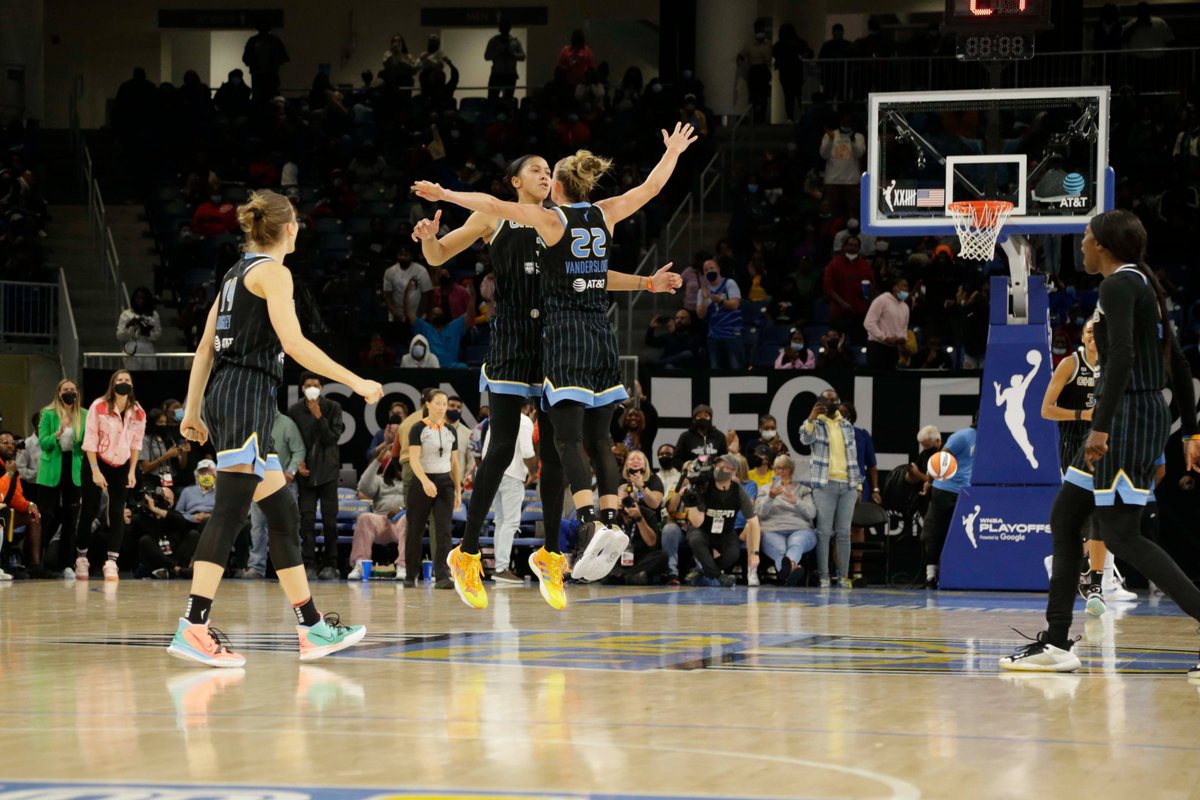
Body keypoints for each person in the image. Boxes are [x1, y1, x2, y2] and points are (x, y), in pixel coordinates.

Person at [412, 126, 693, 608]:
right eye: (535, 169)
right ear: (517, 180)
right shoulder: (495, 217)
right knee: (500, 449)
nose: (545, 174)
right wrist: (429, 238)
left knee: (558, 455)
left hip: (555, 342)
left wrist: (646, 283)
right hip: (512, 342)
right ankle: (467, 552)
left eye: (549, 169)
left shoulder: (563, 218)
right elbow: (438, 255)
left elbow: (595, 276)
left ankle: (551, 554)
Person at [169, 189, 380, 668]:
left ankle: (311, 628)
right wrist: (355, 379)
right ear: (290, 228)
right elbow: (295, 343)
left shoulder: (232, 276)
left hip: (234, 393)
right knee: (229, 510)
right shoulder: (274, 273)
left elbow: (204, 349)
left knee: (282, 512)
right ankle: (193, 626)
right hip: (245, 393)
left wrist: (192, 409)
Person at [1001, 210, 1200, 677]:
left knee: (1122, 536)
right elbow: (1181, 364)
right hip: (1135, 412)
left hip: (1126, 417)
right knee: (1065, 517)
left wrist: (1101, 427)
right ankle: (1055, 641)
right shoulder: (1144, 284)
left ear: (1105, 246)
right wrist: (1191, 430)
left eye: (1087, 238)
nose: (1083, 245)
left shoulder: (1117, 286)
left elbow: (1123, 360)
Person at [1041, 317, 1112, 615]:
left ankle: (1096, 582)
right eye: (1088, 333)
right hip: (1073, 449)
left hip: (1105, 450)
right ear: (1082, 338)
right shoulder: (1070, 365)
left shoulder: (1113, 367)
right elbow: (1046, 410)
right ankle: (1081, 564)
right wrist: (1083, 414)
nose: (1093, 337)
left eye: (1098, 333)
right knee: (1083, 514)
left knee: (1102, 514)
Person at [77, 370, 146, 581]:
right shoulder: (99, 406)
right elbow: (89, 440)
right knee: (89, 509)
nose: (123, 383)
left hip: (122, 464)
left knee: (117, 511)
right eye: (119, 380)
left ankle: (111, 562)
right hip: (96, 460)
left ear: (132, 385)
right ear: (112, 384)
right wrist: (95, 471)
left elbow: (136, 444)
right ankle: (82, 557)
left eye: (127, 380)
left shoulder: (138, 412)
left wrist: (133, 470)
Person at [799, 389, 861, 588]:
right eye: (827, 399)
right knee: (824, 532)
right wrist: (810, 417)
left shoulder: (847, 425)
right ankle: (825, 576)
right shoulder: (816, 424)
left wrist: (858, 484)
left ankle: (843, 576)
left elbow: (853, 456)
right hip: (825, 484)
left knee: (844, 532)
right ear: (820, 402)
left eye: (834, 399)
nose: (831, 402)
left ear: (839, 401)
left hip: (848, 484)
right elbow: (804, 439)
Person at [288, 373, 346, 580]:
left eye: (316, 384)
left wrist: (318, 416)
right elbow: (293, 442)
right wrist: (298, 464)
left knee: (330, 521)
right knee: (307, 521)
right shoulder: (294, 411)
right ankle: (308, 564)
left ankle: (331, 564)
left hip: (328, 472)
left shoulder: (333, 408)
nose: (312, 387)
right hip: (306, 474)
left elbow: (332, 438)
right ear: (302, 387)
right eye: (308, 384)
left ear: (322, 387)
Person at [404, 389, 460, 590]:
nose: (442, 407)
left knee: (444, 530)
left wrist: (458, 490)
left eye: (444, 404)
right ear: (427, 404)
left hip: (445, 483)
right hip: (421, 481)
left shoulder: (450, 431)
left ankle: (443, 575)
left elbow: (454, 463)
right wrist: (425, 481)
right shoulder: (418, 428)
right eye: (438, 403)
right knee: (415, 529)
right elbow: (413, 459)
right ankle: (411, 574)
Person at [680, 454, 760, 586]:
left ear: (733, 471)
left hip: (726, 532)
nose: (719, 469)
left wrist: (755, 553)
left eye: (724, 467)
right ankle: (719, 576)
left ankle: (702, 571)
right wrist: (691, 504)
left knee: (733, 554)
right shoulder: (705, 486)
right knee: (696, 539)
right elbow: (697, 522)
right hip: (703, 529)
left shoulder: (738, 491)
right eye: (718, 466)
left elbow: (754, 522)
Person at [242, 410, 305, 580]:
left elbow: (299, 451)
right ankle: (256, 567)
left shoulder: (286, 424)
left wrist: (291, 471)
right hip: (258, 481)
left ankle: (293, 567)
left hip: (284, 483)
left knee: (288, 526)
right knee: (257, 527)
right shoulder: (251, 424)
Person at [481, 399, 537, 584]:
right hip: (512, 475)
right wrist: (532, 471)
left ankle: (499, 566)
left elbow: (484, 450)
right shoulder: (524, 420)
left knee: (501, 521)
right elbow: (528, 452)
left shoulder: (496, 418)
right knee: (511, 522)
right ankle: (502, 567)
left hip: (492, 474)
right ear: (529, 408)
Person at [922, 414, 977, 589]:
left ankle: (955, 575)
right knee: (935, 532)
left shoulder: (987, 439)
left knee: (961, 535)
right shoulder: (961, 436)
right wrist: (930, 482)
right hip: (945, 491)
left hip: (966, 494)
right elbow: (940, 460)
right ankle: (930, 577)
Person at [36, 380, 85, 577]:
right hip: (51, 471)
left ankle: (66, 564)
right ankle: (39, 561)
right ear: (58, 392)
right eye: (66, 390)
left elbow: (88, 442)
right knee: (47, 517)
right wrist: (58, 433)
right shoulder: (48, 414)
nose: (69, 393)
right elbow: (43, 442)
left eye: (72, 390)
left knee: (71, 520)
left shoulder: (84, 414)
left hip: (73, 469)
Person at [346, 446, 407, 581]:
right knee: (364, 517)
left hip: (402, 520)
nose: (401, 470)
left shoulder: (414, 483)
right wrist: (377, 461)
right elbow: (362, 487)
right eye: (398, 465)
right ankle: (360, 564)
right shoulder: (380, 481)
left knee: (408, 519)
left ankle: (403, 566)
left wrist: (401, 510)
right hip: (381, 520)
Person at [756, 455, 817, 586]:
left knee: (795, 543)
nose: (781, 472)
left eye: (785, 468)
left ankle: (787, 572)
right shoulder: (765, 489)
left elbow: (811, 513)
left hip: (800, 529)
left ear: (792, 470)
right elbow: (759, 513)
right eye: (778, 468)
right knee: (780, 550)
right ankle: (792, 570)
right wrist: (770, 497)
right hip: (772, 530)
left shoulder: (803, 489)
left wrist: (796, 501)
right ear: (773, 470)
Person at [0, 431, 43, 576]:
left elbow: (15, 497)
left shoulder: (12, 467)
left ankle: (35, 565)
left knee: (33, 516)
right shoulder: (8, 469)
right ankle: (3, 563)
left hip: (5, 510)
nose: (10, 446)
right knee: (4, 514)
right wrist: (9, 474)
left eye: (12, 443)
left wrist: (29, 505)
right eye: (5, 443)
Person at [695, 258, 744, 370]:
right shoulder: (702, 291)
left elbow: (735, 304)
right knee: (715, 370)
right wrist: (703, 298)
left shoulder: (729, 283)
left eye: (712, 268)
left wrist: (720, 300)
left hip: (732, 334)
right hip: (714, 336)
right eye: (706, 270)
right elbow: (701, 315)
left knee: (735, 368)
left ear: (718, 269)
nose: (709, 271)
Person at [823, 237, 874, 340]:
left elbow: (872, 285)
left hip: (859, 312)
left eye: (855, 245)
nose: (852, 247)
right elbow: (827, 287)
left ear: (859, 248)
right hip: (839, 312)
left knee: (860, 343)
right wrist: (841, 302)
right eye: (850, 245)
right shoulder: (834, 264)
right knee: (836, 344)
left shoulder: (865, 265)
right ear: (844, 246)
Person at [820, 115, 866, 218]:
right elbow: (823, 155)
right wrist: (831, 140)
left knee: (852, 212)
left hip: (851, 181)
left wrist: (853, 140)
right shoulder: (829, 135)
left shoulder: (858, 136)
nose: (846, 123)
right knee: (831, 213)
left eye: (848, 121)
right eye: (844, 120)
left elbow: (859, 154)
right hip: (832, 180)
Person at [865, 276, 911, 369]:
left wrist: (903, 338)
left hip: (893, 348)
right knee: (877, 378)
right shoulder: (881, 300)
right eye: (904, 286)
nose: (907, 289)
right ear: (895, 288)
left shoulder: (905, 307)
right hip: (877, 347)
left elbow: (904, 328)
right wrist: (885, 337)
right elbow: (868, 323)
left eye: (907, 287)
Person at [117, 286, 162, 370]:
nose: (140, 301)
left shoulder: (153, 314)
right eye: (138, 298)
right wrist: (129, 325)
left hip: (147, 347)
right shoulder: (126, 314)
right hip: (131, 347)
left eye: (143, 298)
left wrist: (147, 333)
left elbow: (158, 334)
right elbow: (119, 335)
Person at [242, 24, 290, 102]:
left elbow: (284, 57)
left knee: (269, 98)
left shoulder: (274, 41)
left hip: (268, 75)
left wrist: (275, 64)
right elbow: (246, 58)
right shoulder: (254, 41)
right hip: (260, 75)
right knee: (260, 98)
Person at [485, 19, 526, 102]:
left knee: (508, 99)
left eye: (506, 27)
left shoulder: (515, 41)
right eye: (503, 27)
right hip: (497, 74)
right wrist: (498, 54)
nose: (504, 29)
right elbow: (486, 56)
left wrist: (512, 55)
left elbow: (523, 56)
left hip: (510, 74)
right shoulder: (494, 41)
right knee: (492, 99)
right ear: (500, 29)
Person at [773, 23, 807, 123]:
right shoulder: (800, 43)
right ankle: (802, 116)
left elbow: (775, 55)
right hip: (797, 71)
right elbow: (808, 52)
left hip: (785, 73)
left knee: (788, 96)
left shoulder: (779, 45)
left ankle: (790, 117)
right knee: (800, 96)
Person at [739, 27, 773, 124]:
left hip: (764, 69)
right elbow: (741, 56)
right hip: (754, 70)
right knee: (753, 95)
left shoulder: (768, 44)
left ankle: (762, 118)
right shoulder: (750, 45)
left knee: (764, 95)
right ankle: (754, 117)